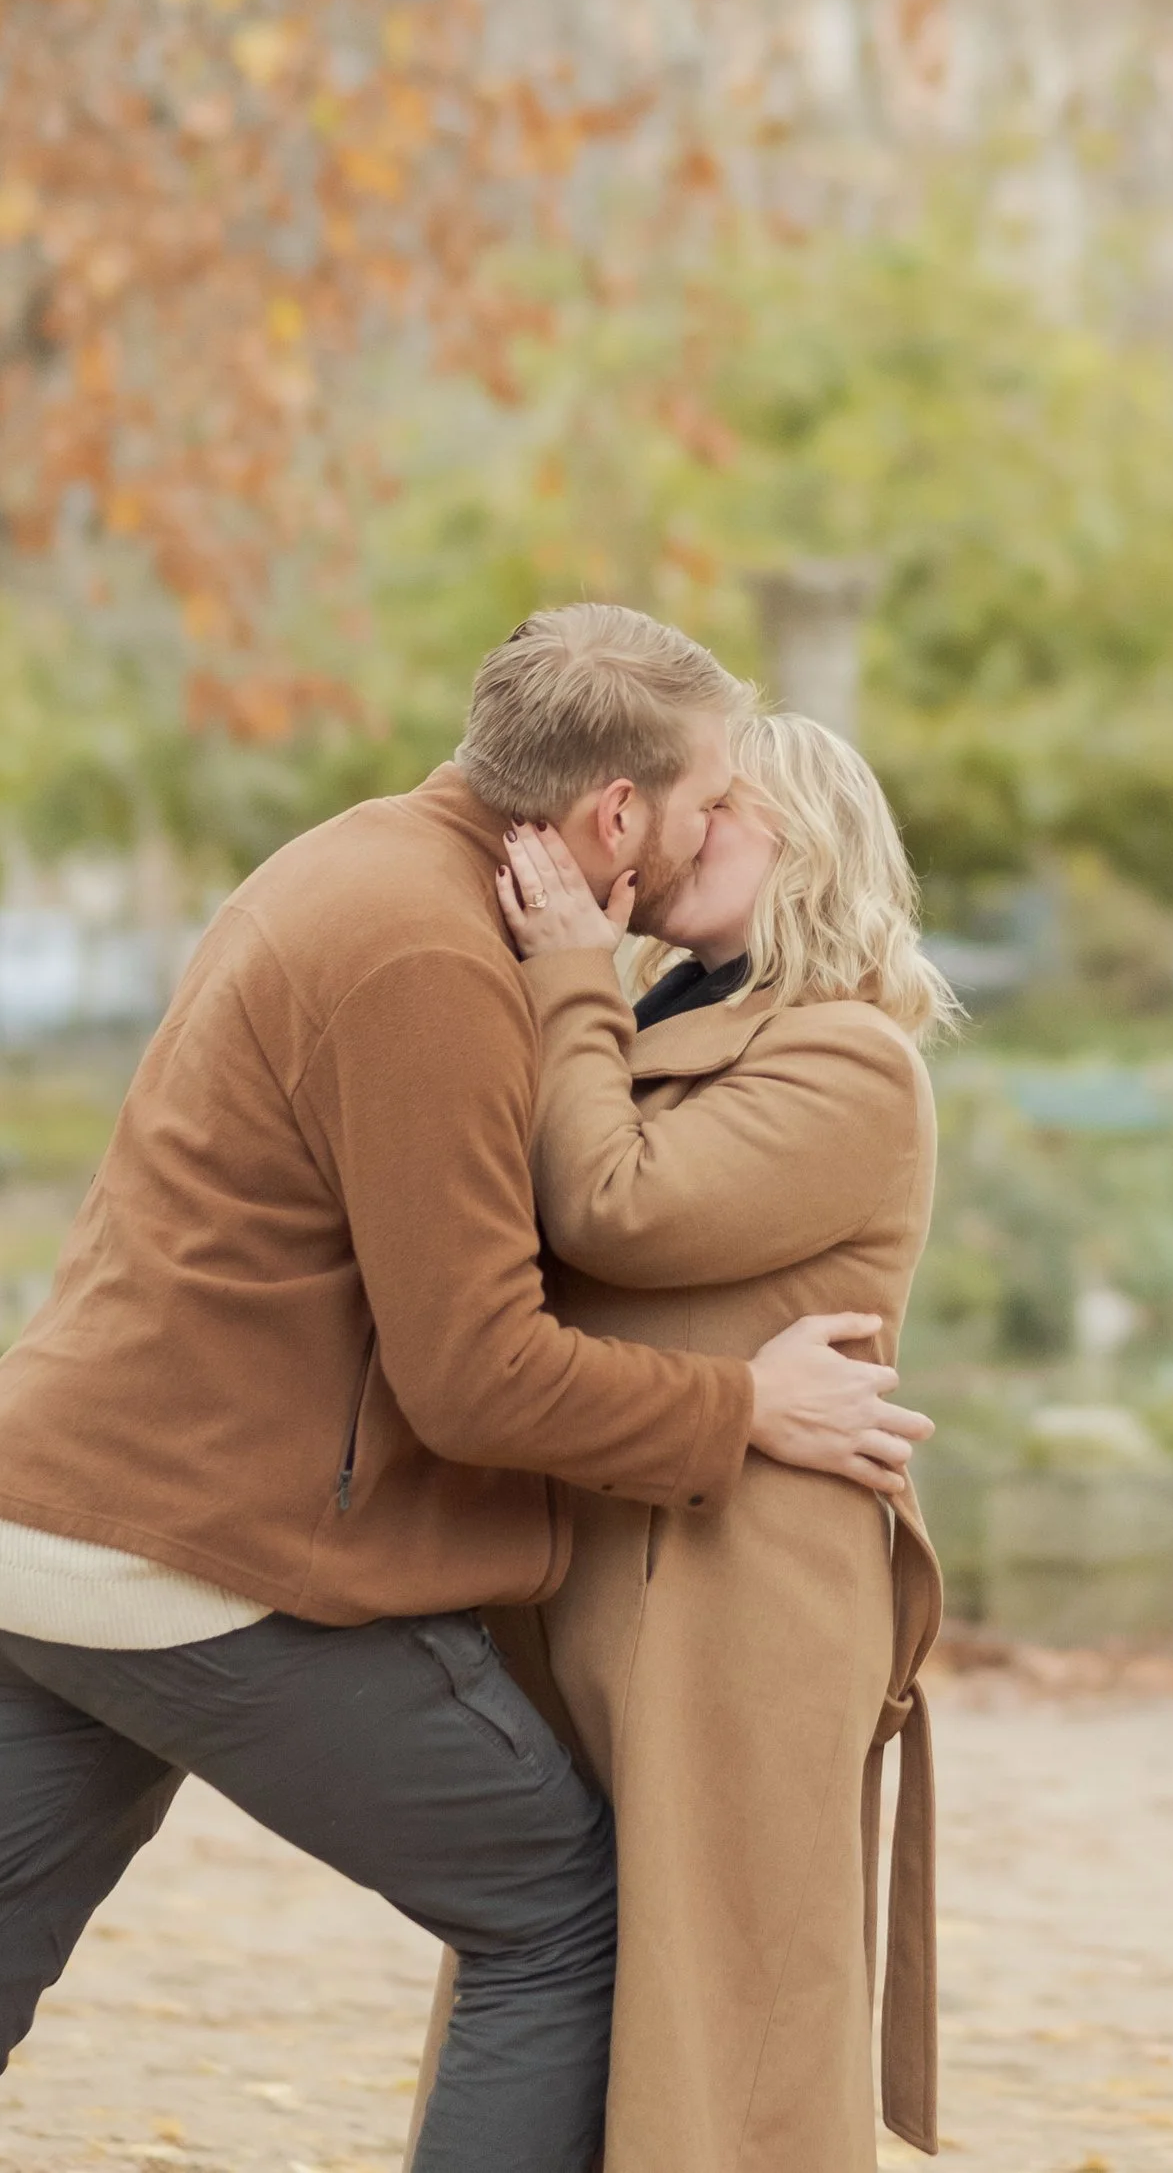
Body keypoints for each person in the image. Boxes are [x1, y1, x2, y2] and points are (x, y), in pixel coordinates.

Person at [0, 606, 930, 2173]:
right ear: (618, 810)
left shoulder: (352, 865)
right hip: (189, 1556)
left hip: (19, 1538)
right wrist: (739, 1411)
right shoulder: (432, 953)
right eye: (704, 795)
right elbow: (474, 1374)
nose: (702, 830)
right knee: (562, 1910)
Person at [405, 705, 956, 2173]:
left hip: (743, 1595)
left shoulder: (849, 1061)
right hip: (608, 1564)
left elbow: (610, 1204)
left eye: (727, 809)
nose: (683, 827)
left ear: (812, 842)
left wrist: (570, 966)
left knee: (726, 2017)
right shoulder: (664, 1014)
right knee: (572, 1971)